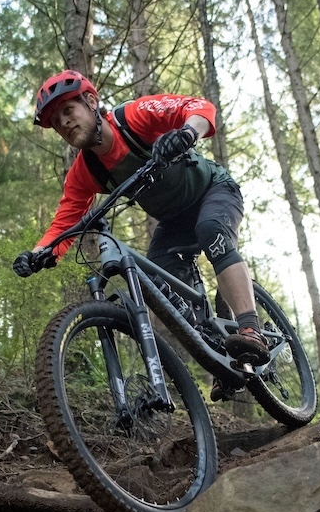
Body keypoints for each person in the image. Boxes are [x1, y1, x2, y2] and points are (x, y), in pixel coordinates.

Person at [14, 69, 271, 378]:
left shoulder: (132, 118)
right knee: (157, 285)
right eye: (56, 122)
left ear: (92, 101)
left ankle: (251, 329)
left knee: (211, 231)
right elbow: (64, 224)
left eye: (68, 110)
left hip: (213, 191)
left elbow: (199, 107)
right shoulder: (85, 172)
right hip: (173, 222)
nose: (64, 123)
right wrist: (39, 254)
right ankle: (221, 358)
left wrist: (187, 133)